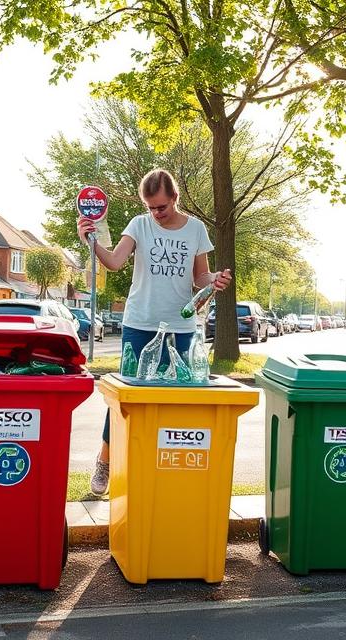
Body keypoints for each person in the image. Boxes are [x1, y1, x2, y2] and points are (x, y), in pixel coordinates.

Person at [77, 169, 232, 495]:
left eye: (161, 207)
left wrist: (215, 279)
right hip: (140, 323)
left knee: (180, 400)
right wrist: (89, 241)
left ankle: (165, 463)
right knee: (125, 399)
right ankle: (105, 461)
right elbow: (115, 262)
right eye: (150, 207)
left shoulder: (196, 229)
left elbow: (199, 277)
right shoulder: (139, 224)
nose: (156, 213)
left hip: (181, 327)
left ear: (175, 198)